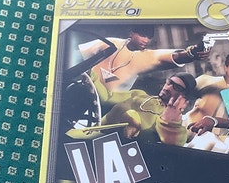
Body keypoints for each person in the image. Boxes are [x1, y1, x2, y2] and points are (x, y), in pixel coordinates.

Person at [79, 25, 209, 106]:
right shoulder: (111, 43)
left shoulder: (145, 56)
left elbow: (171, 57)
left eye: (149, 37)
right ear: (131, 33)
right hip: (81, 90)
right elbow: (78, 54)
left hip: (107, 107)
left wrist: (191, 53)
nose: (146, 40)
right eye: (142, 35)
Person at [99, 72, 198, 146]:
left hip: (118, 152)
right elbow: (108, 97)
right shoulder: (139, 94)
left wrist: (169, 123)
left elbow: (176, 144)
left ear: (184, 96)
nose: (168, 88)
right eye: (169, 82)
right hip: (94, 135)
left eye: (177, 87)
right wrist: (93, 76)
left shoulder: (172, 120)